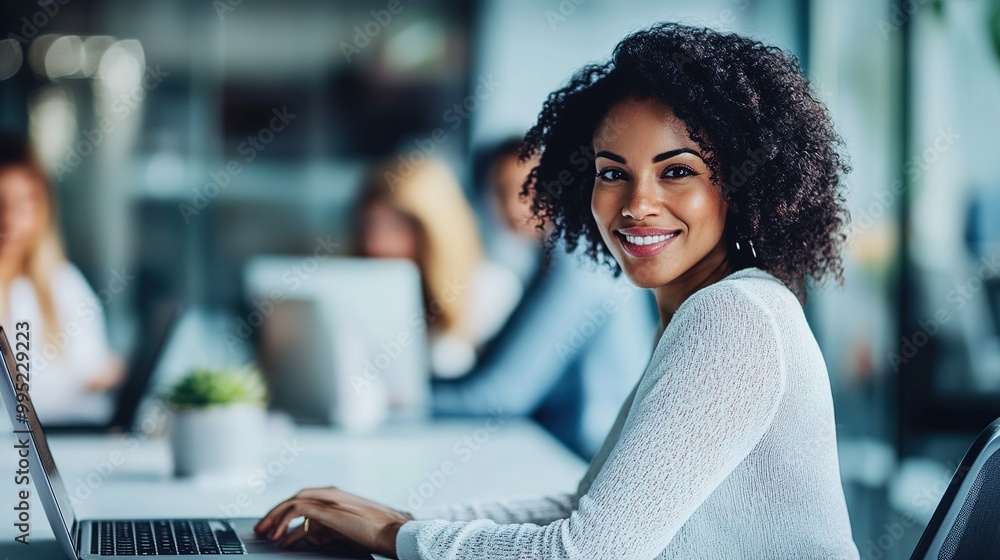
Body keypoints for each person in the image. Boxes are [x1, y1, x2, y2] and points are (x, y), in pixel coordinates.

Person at [256, 23, 859, 558]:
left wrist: (395, 536)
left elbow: (582, 553)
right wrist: (394, 522)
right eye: (611, 174)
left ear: (745, 181)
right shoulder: (704, 308)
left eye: (677, 171)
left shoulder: (733, 316)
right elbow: (583, 512)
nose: (637, 204)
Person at [433, 139, 658, 458]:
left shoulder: (582, 266)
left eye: (531, 186)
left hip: (591, 459)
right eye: (501, 189)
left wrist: (400, 399)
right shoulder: (553, 259)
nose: (515, 204)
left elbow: (501, 397)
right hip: (565, 451)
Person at [354, 157, 522, 379]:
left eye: (395, 228)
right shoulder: (362, 294)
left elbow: (495, 392)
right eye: (369, 226)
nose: (375, 244)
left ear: (435, 232)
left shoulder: (493, 291)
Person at [0, 133, 124, 424]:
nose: (10, 220)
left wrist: (110, 375)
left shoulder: (62, 283)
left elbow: (91, 369)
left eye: (24, 204)